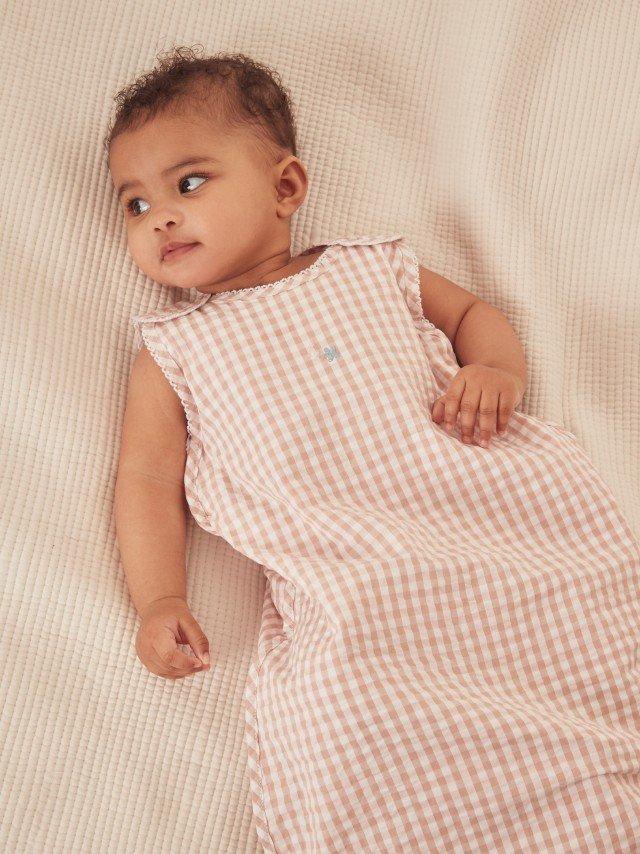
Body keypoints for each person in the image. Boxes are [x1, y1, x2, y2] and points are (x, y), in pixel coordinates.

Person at [108, 46, 640, 852]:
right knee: (350, 715)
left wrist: (495, 368)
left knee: (568, 666)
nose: (162, 218)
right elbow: (147, 479)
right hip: (348, 586)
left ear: (286, 186)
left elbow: (472, 316)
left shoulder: (369, 269)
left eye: (188, 184)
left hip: (469, 529)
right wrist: (159, 599)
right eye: (135, 205)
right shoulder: (174, 349)